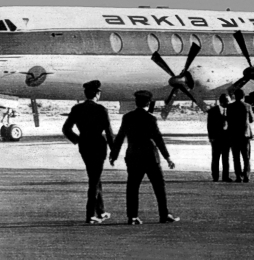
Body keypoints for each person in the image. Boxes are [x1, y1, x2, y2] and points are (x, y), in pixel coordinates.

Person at [109, 90, 179, 225]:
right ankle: (164, 215)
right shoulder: (151, 118)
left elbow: (120, 137)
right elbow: (158, 139)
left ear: (136, 102)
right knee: (159, 186)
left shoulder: (127, 117)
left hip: (133, 156)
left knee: (132, 187)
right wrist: (167, 158)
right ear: (148, 103)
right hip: (150, 157)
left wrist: (114, 155)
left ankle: (132, 217)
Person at [62, 80, 114, 224]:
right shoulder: (101, 109)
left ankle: (101, 211)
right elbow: (109, 133)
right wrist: (114, 151)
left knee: (95, 177)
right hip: (98, 146)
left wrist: (78, 140)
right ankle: (90, 215)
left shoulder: (77, 108)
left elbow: (66, 129)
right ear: (97, 94)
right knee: (94, 180)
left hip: (84, 146)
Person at [226, 89, 254, 183]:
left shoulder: (230, 106)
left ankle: (238, 176)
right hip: (245, 135)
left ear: (235, 96)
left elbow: (228, 119)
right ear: (243, 96)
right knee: (246, 157)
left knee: (236, 157)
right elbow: (251, 119)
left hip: (234, 135)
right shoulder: (248, 106)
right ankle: (246, 176)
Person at [207, 94, 232, 182]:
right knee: (215, 158)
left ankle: (225, 176)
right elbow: (209, 126)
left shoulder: (231, 110)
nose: (229, 103)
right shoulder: (213, 111)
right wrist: (211, 137)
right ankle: (215, 176)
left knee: (226, 158)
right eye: (227, 101)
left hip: (227, 138)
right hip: (216, 138)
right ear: (222, 102)